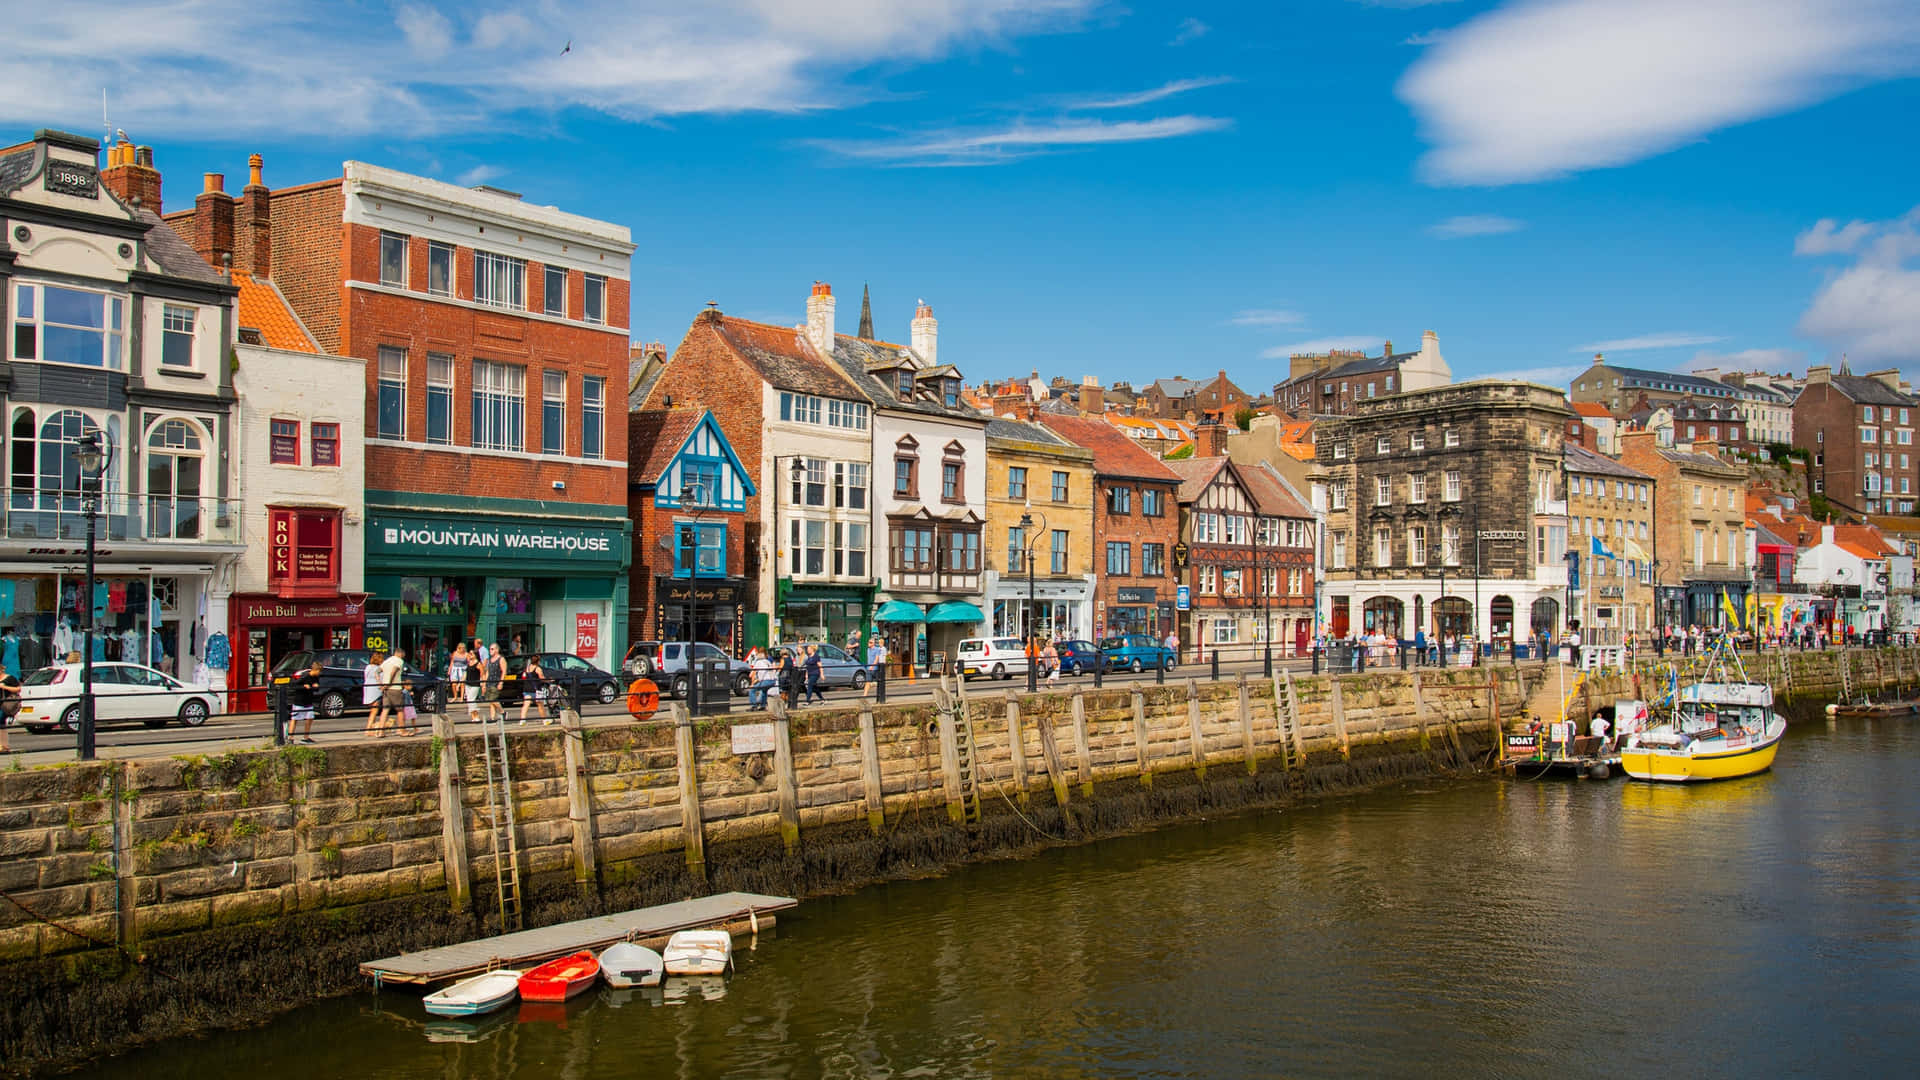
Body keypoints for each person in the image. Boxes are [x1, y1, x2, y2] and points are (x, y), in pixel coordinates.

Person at [375, 646, 408, 738]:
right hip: (395, 688)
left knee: (385, 710)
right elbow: (394, 671)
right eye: (403, 655)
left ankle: (381, 732)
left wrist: (380, 683)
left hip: (385, 689)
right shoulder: (399, 661)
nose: (403, 657)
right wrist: (389, 683)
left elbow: (377, 671)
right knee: (400, 710)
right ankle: (402, 730)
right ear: (400, 653)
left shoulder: (387, 661)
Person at [290, 661, 322, 744]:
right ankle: (290, 737)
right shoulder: (305, 676)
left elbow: (317, 688)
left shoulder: (316, 678)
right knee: (295, 719)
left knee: (310, 718)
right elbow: (293, 684)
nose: (320, 673)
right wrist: (303, 686)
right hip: (299, 701)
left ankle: (306, 737)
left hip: (308, 701)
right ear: (315, 670)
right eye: (319, 671)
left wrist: (316, 687)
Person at [519, 654, 550, 725]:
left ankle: (522, 720)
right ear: (538, 661)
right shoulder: (538, 669)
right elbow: (542, 678)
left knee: (526, 705)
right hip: (536, 690)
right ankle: (544, 720)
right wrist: (549, 680)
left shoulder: (527, 668)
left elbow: (524, 676)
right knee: (540, 705)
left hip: (527, 688)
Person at [362, 651, 386, 737]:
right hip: (376, 691)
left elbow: (366, 677)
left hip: (368, 690)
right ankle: (368, 729)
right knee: (374, 711)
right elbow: (382, 680)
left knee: (372, 711)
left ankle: (370, 728)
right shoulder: (379, 669)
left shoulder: (368, 667)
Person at [0, 670, 19, 753]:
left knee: (0, 722)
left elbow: (18, 689)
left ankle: (4, 745)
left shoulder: (9, 678)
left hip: (4, 704)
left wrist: (4, 687)